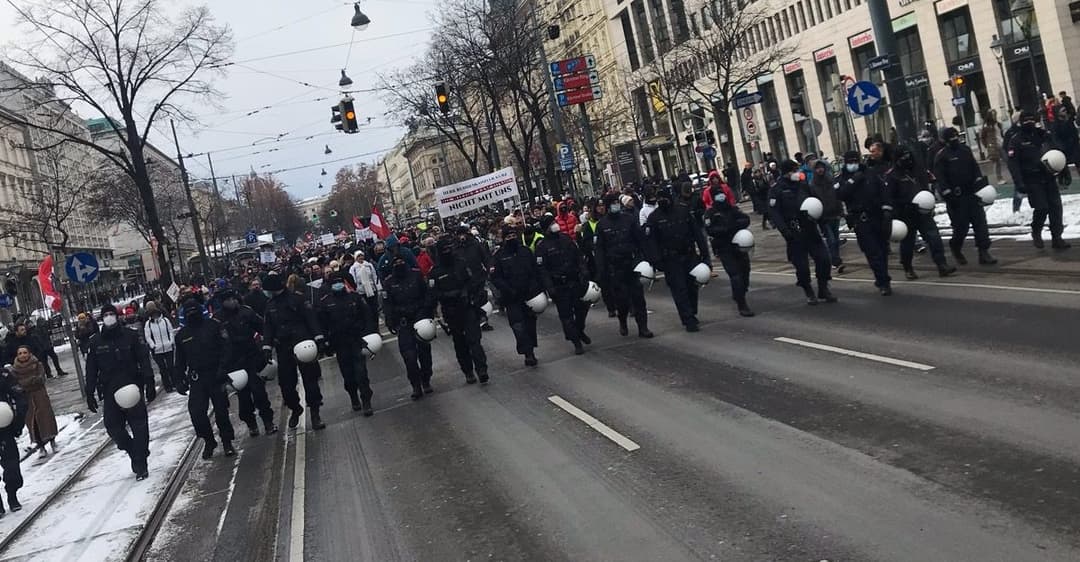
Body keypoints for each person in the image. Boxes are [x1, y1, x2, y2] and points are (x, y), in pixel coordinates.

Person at [85, 303, 154, 480]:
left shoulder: (130, 336)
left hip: (132, 386)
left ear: (117, 316)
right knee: (113, 428)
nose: (109, 317)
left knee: (139, 426)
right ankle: (133, 451)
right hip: (109, 390)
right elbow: (91, 368)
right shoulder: (95, 342)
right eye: (105, 314)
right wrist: (89, 392)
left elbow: (143, 359)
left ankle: (140, 464)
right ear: (102, 318)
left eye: (111, 314)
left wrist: (149, 382)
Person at [261, 272, 328, 430]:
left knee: (310, 381)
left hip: (302, 344)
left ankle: (315, 414)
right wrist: (267, 348)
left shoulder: (297, 299)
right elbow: (268, 328)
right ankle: (296, 408)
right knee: (286, 385)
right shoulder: (270, 306)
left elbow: (310, 318)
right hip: (284, 348)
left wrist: (319, 338)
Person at [174, 298, 236, 459]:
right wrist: (179, 379)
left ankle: (227, 441)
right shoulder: (182, 335)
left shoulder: (213, 326)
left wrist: (224, 368)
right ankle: (209, 440)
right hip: (197, 378)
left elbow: (226, 347)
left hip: (216, 374)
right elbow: (179, 360)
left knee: (221, 411)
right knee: (196, 413)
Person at [645, 183, 711, 332]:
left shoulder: (683, 211)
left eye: (664, 198)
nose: (662, 201)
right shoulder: (654, 218)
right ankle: (688, 319)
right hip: (671, 260)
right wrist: (656, 261)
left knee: (692, 287)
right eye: (659, 198)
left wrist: (704, 254)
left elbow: (697, 234)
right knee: (679, 290)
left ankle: (692, 311)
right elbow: (651, 241)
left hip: (688, 255)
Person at [884, 145, 957, 279]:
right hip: (905, 214)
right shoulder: (892, 175)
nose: (907, 159)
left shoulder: (918, 170)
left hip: (922, 212)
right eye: (903, 157)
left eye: (908, 155)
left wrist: (929, 202)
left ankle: (942, 265)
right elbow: (889, 197)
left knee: (934, 238)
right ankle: (908, 268)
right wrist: (894, 212)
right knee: (908, 243)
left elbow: (926, 186)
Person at [769, 160, 836, 304]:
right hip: (794, 233)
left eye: (797, 169)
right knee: (802, 267)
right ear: (786, 173)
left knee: (824, 259)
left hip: (810, 228)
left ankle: (823, 288)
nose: (797, 173)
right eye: (793, 170)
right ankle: (808, 291)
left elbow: (815, 202)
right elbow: (775, 213)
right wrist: (785, 231)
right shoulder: (777, 190)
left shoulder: (803, 186)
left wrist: (822, 221)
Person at [215, 289, 277, 436]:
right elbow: (216, 343)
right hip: (234, 363)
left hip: (252, 357)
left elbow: (263, 327)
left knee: (259, 392)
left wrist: (268, 344)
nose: (232, 301)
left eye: (233, 298)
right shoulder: (218, 319)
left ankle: (268, 421)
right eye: (228, 299)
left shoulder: (246, 312)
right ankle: (251, 422)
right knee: (243, 397)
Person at [933, 127, 997, 266]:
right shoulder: (941, 156)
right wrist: (948, 195)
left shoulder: (965, 150)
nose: (955, 139)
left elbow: (975, 168)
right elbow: (941, 178)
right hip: (956, 198)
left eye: (956, 136)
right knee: (961, 227)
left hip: (972, 194)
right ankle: (956, 247)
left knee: (980, 224)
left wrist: (979, 183)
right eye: (951, 137)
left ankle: (983, 252)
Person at [1007, 110, 1071, 249]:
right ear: (1021, 122)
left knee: (1055, 207)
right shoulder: (1016, 140)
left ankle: (1057, 237)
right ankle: (1036, 231)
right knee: (1042, 208)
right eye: (1026, 120)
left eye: (1031, 120)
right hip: (1032, 179)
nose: (1029, 123)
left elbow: (1056, 152)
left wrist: (1064, 170)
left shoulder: (1043, 135)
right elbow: (1013, 163)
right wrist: (1019, 182)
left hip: (1048, 176)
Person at [429, 237, 490, 382]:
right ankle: (468, 371)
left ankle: (481, 370)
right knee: (460, 343)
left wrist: (467, 293)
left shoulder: (461, 263)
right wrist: (446, 295)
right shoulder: (435, 272)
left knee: (474, 340)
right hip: (451, 311)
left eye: (449, 248)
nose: (447, 252)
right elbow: (432, 293)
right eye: (444, 250)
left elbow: (472, 282)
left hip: (467, 307)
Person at [595, 192, 653, 338]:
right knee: (622, 300)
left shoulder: (628, 219)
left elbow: (640, 239)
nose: (615, 205)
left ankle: (643, 327)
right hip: (615, 267)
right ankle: (622, 320)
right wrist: (602, 271)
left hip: (632, 264)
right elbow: (600, 250)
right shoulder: (602, 225)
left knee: (638, 298)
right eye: (613, 203)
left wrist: (646, 258)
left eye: (617, 202)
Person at [318, 271, 377, 415]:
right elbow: (323, 325)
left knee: (361, 373)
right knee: (348, 376)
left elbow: (367, 315)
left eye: (339, 282)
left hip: (356, 340)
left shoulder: (355, 298)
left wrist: (368, 334)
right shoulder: (326, 303)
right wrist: (326, 344)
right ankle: (353, 397)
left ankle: (366, 400)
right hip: (340, 343)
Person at [837, 150, 892, 295]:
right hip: (860, 220)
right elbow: (841, 194)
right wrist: (854, 180)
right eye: (850, 162)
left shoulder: (870, 173)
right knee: (872, 251)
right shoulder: (842, 178)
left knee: (883, 250)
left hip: (877, 216)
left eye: (855, 161)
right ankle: (883, 281)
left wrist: (887, 210)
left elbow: (883, 191)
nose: (853, 164)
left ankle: (882, 278)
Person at [535, 214, 592, 353]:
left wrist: (583, 270)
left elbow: (578, 256)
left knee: (581, 309)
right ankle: (576, 342)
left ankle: (579, 330)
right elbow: (542, 270)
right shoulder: (542, 247)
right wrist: (549, 288)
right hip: (559, 286)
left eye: (554, 222)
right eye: (550, 224)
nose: (554, 225)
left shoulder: (565, 239)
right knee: (566, 316)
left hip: (574, 281)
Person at [383, 252, 437, 397]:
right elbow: (387, 304)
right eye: (395, 262)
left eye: (401, 261)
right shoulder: (389, 282)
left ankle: (426, 380)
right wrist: (390, 321)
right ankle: (416, 385)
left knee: (425, 354)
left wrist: (426, 311)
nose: (398, 264)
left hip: (420, 320)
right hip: (404, 323)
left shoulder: (416, 275)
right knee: (409, 357)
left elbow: (427, 294)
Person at [492, 222, 544, 366]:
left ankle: (531, 351)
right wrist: (508, 290)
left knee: (530, 324)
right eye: (508, 236)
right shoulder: (499, 256)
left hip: (529, 295)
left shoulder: (525, 251)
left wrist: (535, 287)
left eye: (514, 235)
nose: (512, 238)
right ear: (503, 238)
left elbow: (535, 271)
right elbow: (495, 277)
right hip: (512, 298)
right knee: (518, 326)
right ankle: (526, 352)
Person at [703, 179, 755, 316]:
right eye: (718, 194)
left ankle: (739, 293)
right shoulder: (711, 213)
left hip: (739, 246)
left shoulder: (732, 209)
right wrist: (724, 229)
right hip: (724, 248)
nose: (721, 196)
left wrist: (736, 225)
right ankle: (742, 304)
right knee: (735, 275)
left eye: (722, 193)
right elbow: (710, 229)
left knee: (745, 272)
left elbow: (745, 219)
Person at [9, 346, 58, 458]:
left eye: (25, 352)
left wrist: (27, 383)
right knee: (33, 422)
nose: (23, 355)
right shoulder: (15, 370)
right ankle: (41, 446)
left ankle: (52, 441)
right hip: (27, 398)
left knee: (46, 418)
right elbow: (17, 384)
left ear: (29, 353)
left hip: (40, 395)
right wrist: (30, 381)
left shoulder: (37, 364)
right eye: (20, 353)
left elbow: (40, 379)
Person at [579, 198, 617, 318]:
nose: (601, 208)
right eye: (599, 206)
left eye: (603, 206)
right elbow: (585, 244)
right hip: (598, 260)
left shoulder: (610, 220)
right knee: (605, 284)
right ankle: (610, 307)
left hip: (612, 256)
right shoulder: (588, 226)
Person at [808, 159, 845, 274]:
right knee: (831, 240)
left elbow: (837, 196)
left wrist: (841, 211)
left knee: (836, 239)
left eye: (821, 167)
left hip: (834, 213)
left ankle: (835, 259)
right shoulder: (813, 185)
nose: (820, 170)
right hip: (823, 217)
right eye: (817, 168)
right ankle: (836, 261)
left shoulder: (830, 180)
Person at [0, 368, 26, 515]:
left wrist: (18, 423)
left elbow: (20, 397)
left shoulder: (4, 375)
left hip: (4, 427)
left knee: (12, 467)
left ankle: (12, 494)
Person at [142, 301, 176, 392]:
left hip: (168, 347)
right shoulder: (148, 324)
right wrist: (153, 345)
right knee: (163, 368)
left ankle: (175, 382)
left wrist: (171, 341)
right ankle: (167, 386)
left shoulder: (165, 321)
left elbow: (170, 331)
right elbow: (147, 336)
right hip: (157, 350)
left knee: (171, 366)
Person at [349, 250, 380, 318]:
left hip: (372, 290)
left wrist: (377, 286)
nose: (360, 257)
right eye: (358, 256)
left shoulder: (369, 265)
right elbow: (353, 280)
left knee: (374, 308)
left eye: (361, 255)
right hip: (362, 292)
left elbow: (374, 276)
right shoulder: (353, 268)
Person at [980, 111, 1005, 183]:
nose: (995, 116)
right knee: (997, 163)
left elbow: (1001, 133)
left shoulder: (998, 124)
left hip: (1001, 144)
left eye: (995, 115)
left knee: (1007, 160)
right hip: (993, 146)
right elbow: (982, 137)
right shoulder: (986, 126)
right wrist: (987, 146)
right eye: (993, 115)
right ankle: (999, 178)